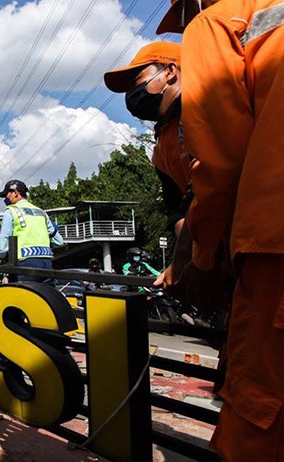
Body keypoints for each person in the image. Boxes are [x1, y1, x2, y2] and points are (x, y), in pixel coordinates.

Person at [159, 0, 284, 458]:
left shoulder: (218, 21)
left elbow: (221, 164)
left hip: (273, 243)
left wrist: (204, 260)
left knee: (257, 417)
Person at [103, 42, 192, 283]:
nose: (133, 93)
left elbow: (213, 183)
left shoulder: (204, 106)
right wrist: (191, 255)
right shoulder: (161, 148)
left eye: (138, 80)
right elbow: (178, 209)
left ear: (170, 71)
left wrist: (184, 257)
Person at [0, 179, 62, 282]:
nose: (6, 198)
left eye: (6, 195)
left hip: (25, 264)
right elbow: (59, 241)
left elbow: (3, 247)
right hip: (47, 264)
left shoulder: (11, 211)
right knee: (46, 292)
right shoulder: (41, 212)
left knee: (25, 292)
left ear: (15, 192)